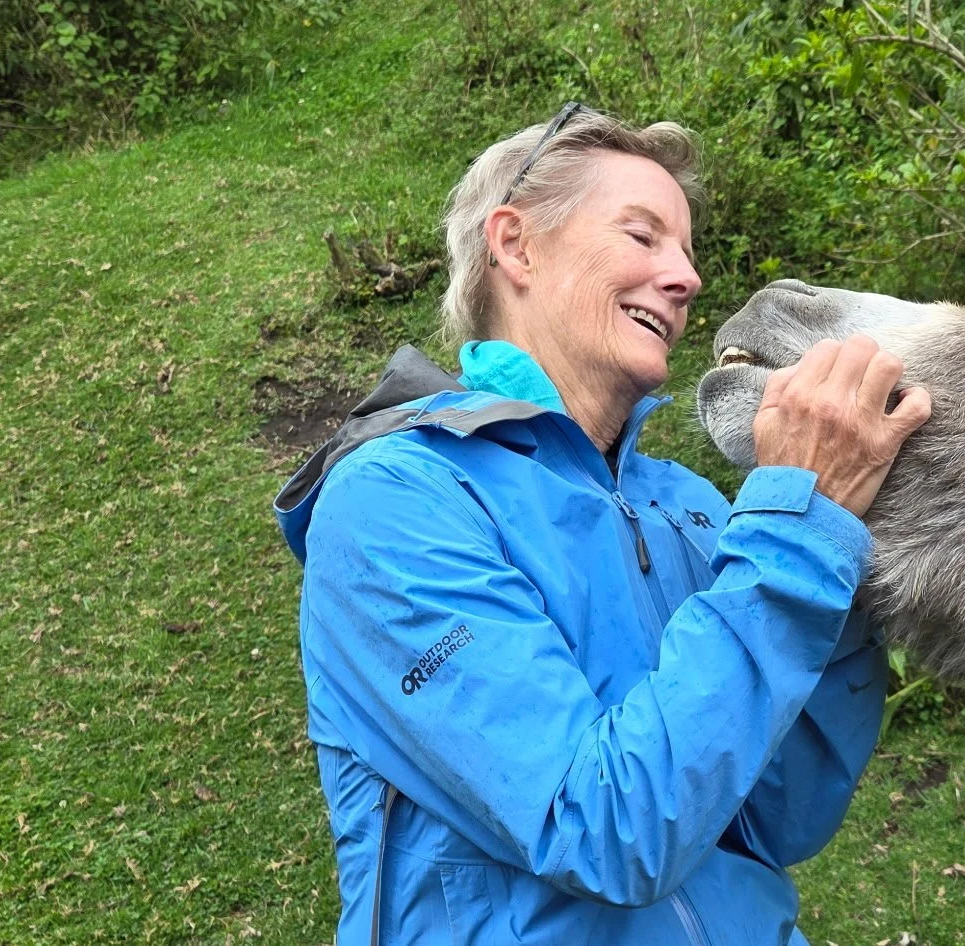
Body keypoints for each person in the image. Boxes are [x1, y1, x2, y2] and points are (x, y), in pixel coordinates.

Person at [273, 103, 931, 945]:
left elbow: (775, 818)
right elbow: (602, 831)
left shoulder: (691, 504)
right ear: (516, 245)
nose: (686, 277)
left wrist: (841, 580)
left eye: (687, 251)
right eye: (643, 235)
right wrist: (798, 535)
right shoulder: (396, 501)